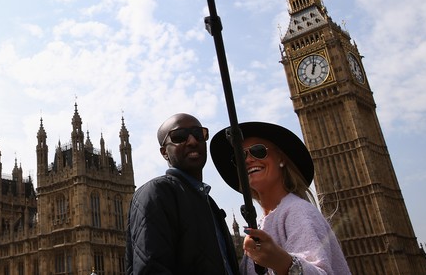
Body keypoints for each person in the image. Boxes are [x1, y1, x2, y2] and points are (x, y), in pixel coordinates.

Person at [210, 122, 351, 275]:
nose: (248, 160)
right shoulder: (262, 223)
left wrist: (283, 262)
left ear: (281, 159)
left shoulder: (297, 211)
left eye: (258, 151)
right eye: (240, 156)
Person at [125, 113, 239, 274]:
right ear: (164, 152)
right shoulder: (156, 193)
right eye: (179, 137)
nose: (192, 141)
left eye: (199, 134)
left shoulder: (209, 203)